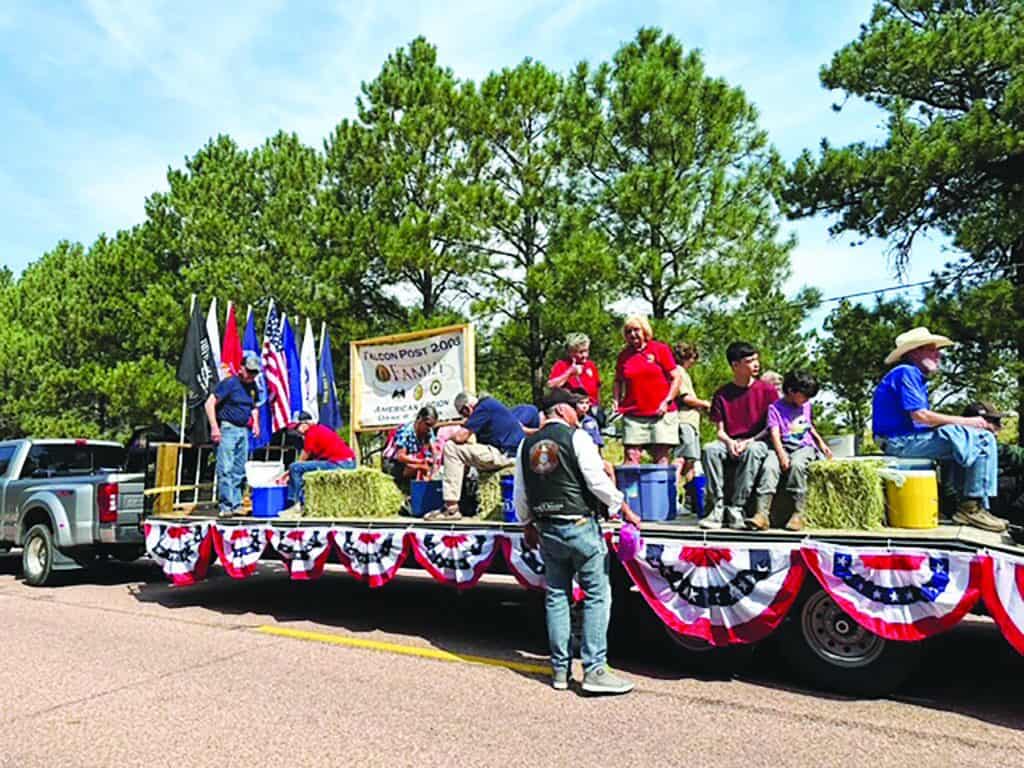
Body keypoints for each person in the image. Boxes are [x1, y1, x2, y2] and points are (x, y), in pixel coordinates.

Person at [514, 388, 642, 694]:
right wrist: (621, 507)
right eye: (574, 409)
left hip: (547, 529)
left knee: (557, 596)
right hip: (580, 525)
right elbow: (596, 481)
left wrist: (527, 523)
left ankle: (560, 671)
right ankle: (595, 669)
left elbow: (521, 493)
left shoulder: (525, 445)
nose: (578, 414)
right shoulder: (577, 437)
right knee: (597, 594)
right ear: (560, 411)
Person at [872, 327, 1004, 532]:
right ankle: (970, 507)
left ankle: (966, 506)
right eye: (931, 349)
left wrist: (959, 428)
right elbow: (921, 416)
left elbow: (922, 421)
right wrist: (970, 422)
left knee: (963, 441)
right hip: (900, 443)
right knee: (983, 438)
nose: (939, 354)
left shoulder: (912, 376)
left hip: (905, 440)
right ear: (914, 352)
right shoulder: (906, 372)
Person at [701, 341, 780, 531]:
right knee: (709, 449)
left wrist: (749, 441)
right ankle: (718, 507)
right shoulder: (722, 394)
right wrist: (729, 442)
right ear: (735, 365)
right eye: (749, 360)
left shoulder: (768, 391)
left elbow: (771, 426)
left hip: (758, 440)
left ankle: (737, 507)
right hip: (731, 441)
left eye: (756, 359)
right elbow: (719, 431)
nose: (756, 364)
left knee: (753, 451)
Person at [429, 391, 525, 521]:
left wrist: (447, 438)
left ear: (467, 408)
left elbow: (459, 436)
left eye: (463, 414)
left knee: (451, 447)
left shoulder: (483, 407)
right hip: (511, 453)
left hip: (504, 454)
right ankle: (461, 502)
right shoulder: (490, 407)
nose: (466, 419)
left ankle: (451, 508)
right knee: (463, 449)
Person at [766, 370, 833, 531]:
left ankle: (798, 512)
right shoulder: (775, 408)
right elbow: (774, 433)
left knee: (796, 466)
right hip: (784, 446)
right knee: (769, 467)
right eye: (805, 396)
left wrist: (821, 442)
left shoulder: (806, 406)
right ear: (791, 391)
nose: (807, 400)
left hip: (804, 447)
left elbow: (808, 425)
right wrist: (781, 454)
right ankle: (763, 512)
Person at [613, 316, 683, 465]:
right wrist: (616, 400)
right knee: (631, 456)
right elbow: (618, 381)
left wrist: (667, 401)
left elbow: (676, 378)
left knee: (661, 457)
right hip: (633, 413)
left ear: (644, 330)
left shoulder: (659, 349)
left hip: (661, 413)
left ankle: (659, 488)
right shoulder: (624, 356)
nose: (632, 334)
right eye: (628, 332)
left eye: (636, 330)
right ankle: (631, 489)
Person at [205, 352, 261, 518]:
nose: (252, 375)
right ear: (241, 368)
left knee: (239, 469)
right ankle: (226, 505)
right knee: (226, 468)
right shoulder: (230, 383)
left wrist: (256, 423)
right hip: (228, 428)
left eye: (255, 372)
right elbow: (209, 403)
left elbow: (254, 406)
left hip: (244, 430)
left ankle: (237, 503)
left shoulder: (252, 387)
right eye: (249, 371)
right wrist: (215, 427)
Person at [283, 411, 357, 514]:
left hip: (339, 463)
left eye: (296, 427)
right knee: (299, 468)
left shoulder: (311, 432)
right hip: (348, 462)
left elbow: (304, 457)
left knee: (295, 467)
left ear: (305, 424)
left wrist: (289, 472)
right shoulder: (320, 429)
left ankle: (295, 504)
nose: (296, 431)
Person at [671, 343, 710, 492]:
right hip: (684, 421)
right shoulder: (679, 372)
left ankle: (692, 497)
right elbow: (685, 397)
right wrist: (705, 404)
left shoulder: (684, 373)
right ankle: (671, 492)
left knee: (691, 461)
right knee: (681, 458)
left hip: (692, 423)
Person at [384, 406, 439, 491]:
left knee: (426, 467)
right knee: (419, 467)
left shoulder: (428, 431)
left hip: (413, 461)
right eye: (427, 424)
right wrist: (420, 463)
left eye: (432, 426)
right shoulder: (406, 431)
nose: (429, 428)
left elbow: (434, 451)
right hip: (393, 463)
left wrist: (434, 466)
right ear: (419, 419)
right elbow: (401, 456)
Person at [547, 333, 601, 404]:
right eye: (581, 352)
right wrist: (569, 373)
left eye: (586, 351)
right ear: (570, 352)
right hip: (572, 407)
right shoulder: (562, 365)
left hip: (591, 406)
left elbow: (597, 389)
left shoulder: (590, 365)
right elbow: (550, 385)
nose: (585, 355)